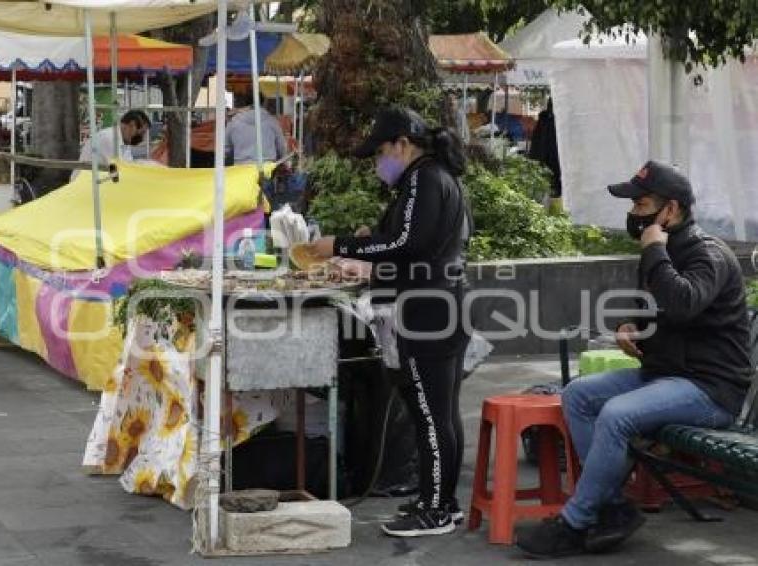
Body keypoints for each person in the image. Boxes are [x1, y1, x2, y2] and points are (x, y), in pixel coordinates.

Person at [516, 160, 752, 558]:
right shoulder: (662, 252)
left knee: (616, 414)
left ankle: (575, 523)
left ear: (671, 210)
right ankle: (612, 508)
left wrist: (655, 250)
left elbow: (681, 304)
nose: (632, 214)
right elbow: (653, 310)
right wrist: (629, 327)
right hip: (666, 376)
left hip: (710, 390)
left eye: (640, 204)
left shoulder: (707, 255)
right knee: (578, 394)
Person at [306, 107, 472, 537]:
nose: (380, 163)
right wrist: (367, 249)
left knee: (431, 416)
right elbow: (413, 249)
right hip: (441, 306)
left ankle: (435, 509)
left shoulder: (422, 178)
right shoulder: (438, 179)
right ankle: (443, 502)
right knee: (440, 414)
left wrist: (338, 246)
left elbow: (405, 243)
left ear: (403, 144)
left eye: (382, 152)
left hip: (426, 313)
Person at [73, 110, 150, 180]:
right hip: (85, 185)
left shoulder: (123, 141)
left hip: (97, 182)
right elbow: (116, 172)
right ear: (131, 125)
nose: (142, 138)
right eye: (141, 133)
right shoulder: (110, 138)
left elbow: (128, 165)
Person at [225, 92, 287, 164]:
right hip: (267, 167)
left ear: (245, 103)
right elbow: (281, 147)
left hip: (241, 168)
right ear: (264, 103)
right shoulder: (272, 121)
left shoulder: (233, 122)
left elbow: (225, 148)